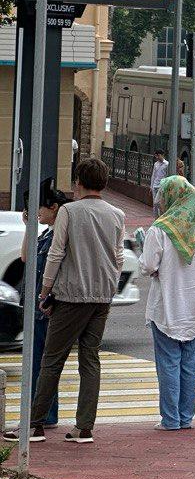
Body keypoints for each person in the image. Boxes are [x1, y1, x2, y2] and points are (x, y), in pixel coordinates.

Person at [26, 157, 125, 444]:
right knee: (90, 359)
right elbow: (118, 256)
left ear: (79, 183)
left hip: (71, 296)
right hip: (102, 296)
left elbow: (56, 254)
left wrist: (45, 290)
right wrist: (111, 284)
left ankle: (34, 425)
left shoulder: (69, 211)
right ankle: (84, 427)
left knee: (52, 359)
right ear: (104, 183)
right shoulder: (117, 214)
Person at [142, 176, 195, 431]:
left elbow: (147, 266)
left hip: (166, 308)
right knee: (189, 366)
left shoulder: (160, 229)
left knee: (168, 364)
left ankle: (170, 419)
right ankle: (186, 418)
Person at [3, 185, 72, 441]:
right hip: (38, 306)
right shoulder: (46, 233)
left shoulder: (59, 235)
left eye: (38, 207)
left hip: (48, 307)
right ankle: (46, 414)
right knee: (40, 362)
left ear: (53, 208)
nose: (36, 212)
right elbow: (25, 257)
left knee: (41, 364)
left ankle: (38, 417)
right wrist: (30, 226)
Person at [150, 150, 169, 216]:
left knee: (159, 203)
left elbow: (167, 175)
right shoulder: (156, 164)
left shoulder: (167, 164)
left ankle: (161, 217)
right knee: (154, 204)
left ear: (162, 155)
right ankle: (155, 219)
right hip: (155, 186)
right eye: (156, 156)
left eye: (158, 155)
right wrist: (151, 186)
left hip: (162, 186)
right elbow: (153, 175)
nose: (157, 157)